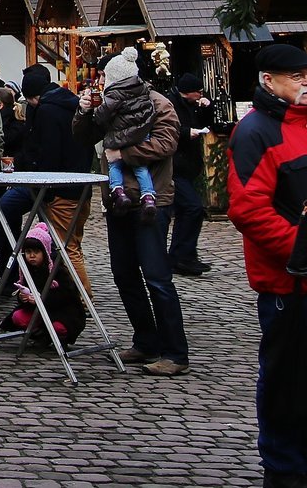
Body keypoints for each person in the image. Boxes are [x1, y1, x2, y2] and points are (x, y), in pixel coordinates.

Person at [228, 43, 307, 488]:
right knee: (284, 376)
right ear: (269, 81)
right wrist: (305, 253)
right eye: (296, 76)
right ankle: (282, 468)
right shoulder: (255, 132)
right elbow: (248, 209)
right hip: (286, 282)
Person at [75, 54, 187, 377]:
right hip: (117, 202)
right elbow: (83, 138)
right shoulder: (109, 103)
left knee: (156, 277)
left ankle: (176, 352)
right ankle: (146, 340)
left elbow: (167, 143)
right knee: (124, 273)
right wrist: (83, 111)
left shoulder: (159, 104)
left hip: (152, 202)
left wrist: (123, 154)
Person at [7, 64, 93, 294]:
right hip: (81, 185)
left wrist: (47, 188)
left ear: (33, 96)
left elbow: (49, 153)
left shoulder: (47, 111)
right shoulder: (73, 104)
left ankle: (82, 299)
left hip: (61, 189)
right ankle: (73, 294)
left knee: (66, 247)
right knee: (73, 243)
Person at [88, 48, 160, 213]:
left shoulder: (115, 94)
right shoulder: (143, 90)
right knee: (141, 167)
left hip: (120, 135)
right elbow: (150, 111)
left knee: (114, 164)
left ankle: (118, 191)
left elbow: (101, 116)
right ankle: (148, 196)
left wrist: (95, 110)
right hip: (141, 134)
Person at [2, 221, 87, 346]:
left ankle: (57, 337)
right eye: (28, 252)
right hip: (37, 311)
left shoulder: (57, 270)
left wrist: (40, 299)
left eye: (36, 252)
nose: (32, 256)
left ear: (45, 252)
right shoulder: (26, 270)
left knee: (58, 327)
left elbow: (66, 296)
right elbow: (24, 290)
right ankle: (40, 333)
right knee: (18, 317)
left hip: (61, 311)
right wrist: (23, 297)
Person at [167, 72, 214, 277]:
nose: (201, 94)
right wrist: (187, 133)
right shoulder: (171, 104)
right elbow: (169, 130)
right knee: (192, 208)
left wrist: (206, 108)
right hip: (175, 167)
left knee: (188, 211)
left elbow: (205, 123)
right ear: (190, 92)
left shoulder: (191, 105)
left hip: (187, 167)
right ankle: (182, 257)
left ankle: (183, 256)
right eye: (199, 92)